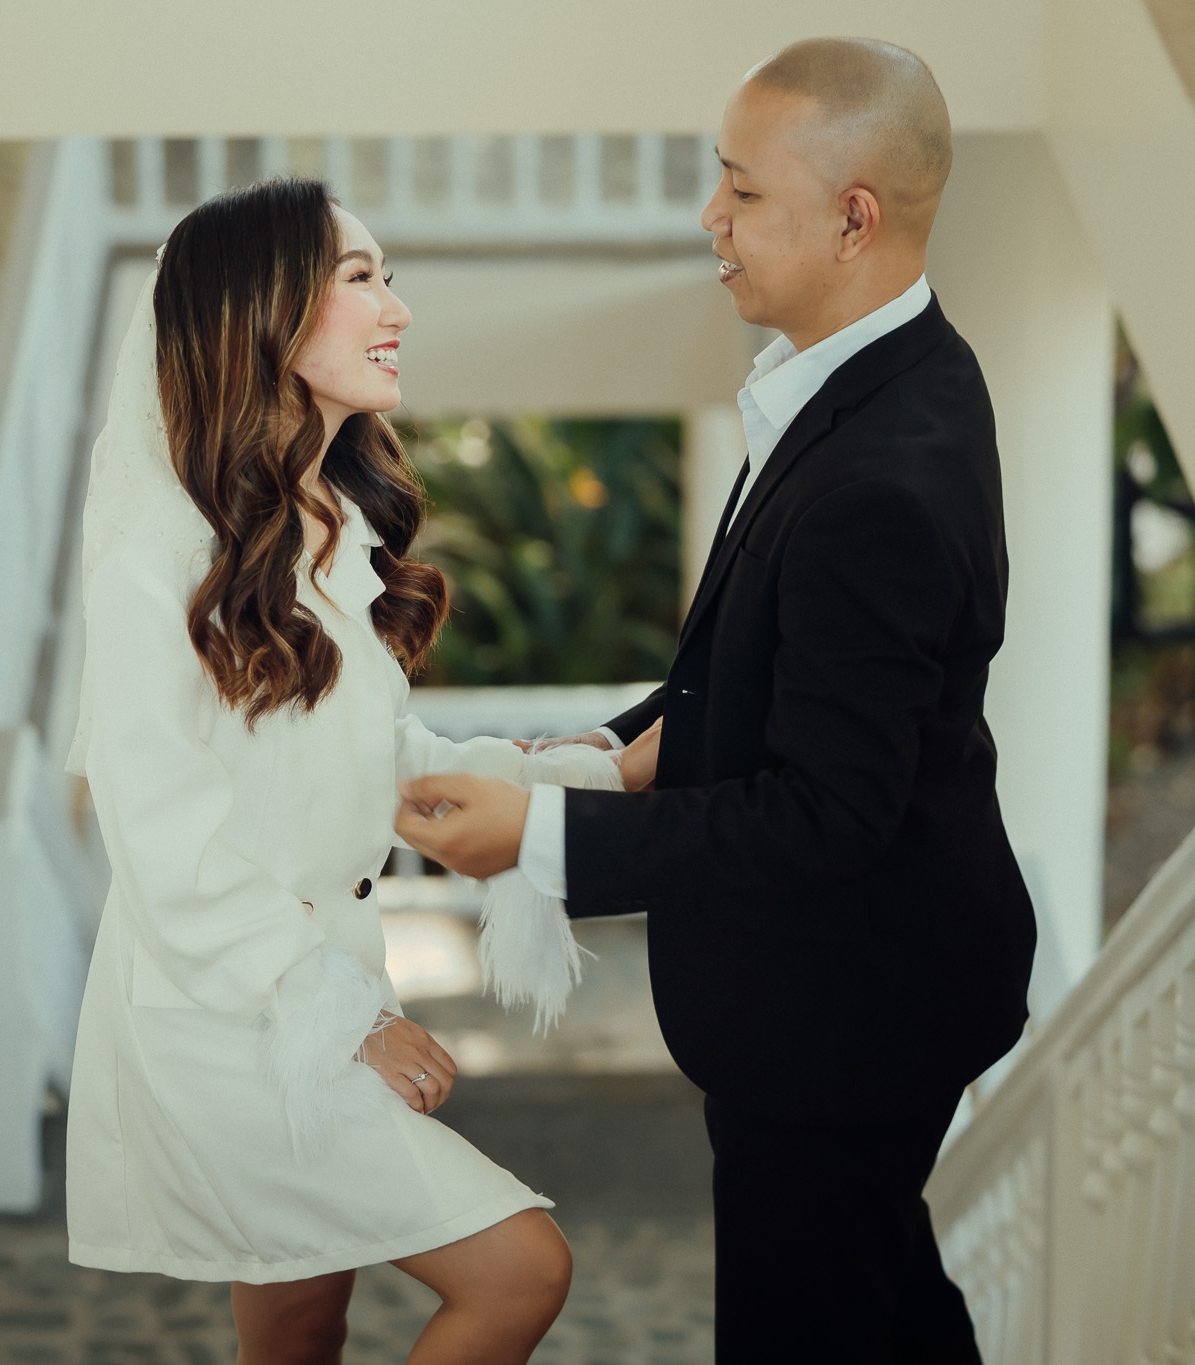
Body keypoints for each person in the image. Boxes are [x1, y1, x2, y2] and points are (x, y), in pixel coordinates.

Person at [395, 38, 1037, 1361]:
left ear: (853, 218)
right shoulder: (881, 371)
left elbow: (825, 813)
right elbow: (759, 664)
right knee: (887, 1301)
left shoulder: (883, 476)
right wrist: (611, 747)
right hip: (864, 978)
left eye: (742, 190)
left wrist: (538, 837)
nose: (710, 218)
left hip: (851, 1007)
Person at [63, 177, 605, 1364]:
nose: (396, 308)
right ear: (260, 312)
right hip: (228, 1015)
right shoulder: (157, 560)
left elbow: (377, 760)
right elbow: (161, 842)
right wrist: (343, 1016)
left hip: (317, 991)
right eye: (360, 278)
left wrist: (570, 776)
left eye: (385, 277)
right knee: (520, 1270)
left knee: (302, 1326)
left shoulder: (327, 525)